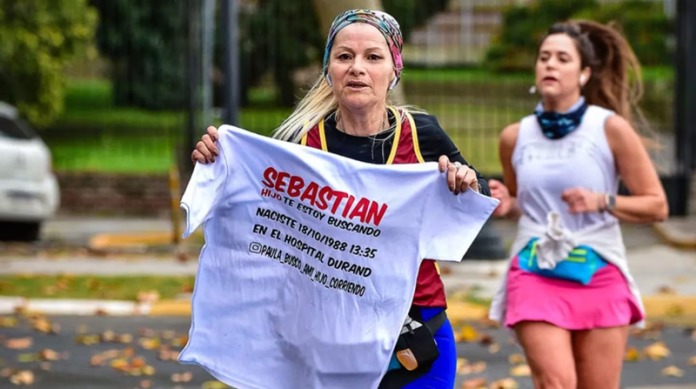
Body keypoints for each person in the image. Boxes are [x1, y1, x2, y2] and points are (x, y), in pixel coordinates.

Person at [191, 8, 491, 389]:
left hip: (415, 335)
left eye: (373, 57)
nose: (357, 68)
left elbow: (480, 198)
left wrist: (466, 181)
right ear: (328, 69)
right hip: (325, 340)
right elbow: (251, 220)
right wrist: (216, 162)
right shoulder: (300, 145)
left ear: (393, 70)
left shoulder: (421, 134)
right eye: (345, 56)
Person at [488, 20, 668, 389]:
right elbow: (523, 201)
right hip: (535, 265)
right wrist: (507, 203)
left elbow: (657, 206)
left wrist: (602, 200)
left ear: (584, 73)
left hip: (599, 266)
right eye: (544, 57)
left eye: (562, 58)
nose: (550, 65)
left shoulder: (610, 128)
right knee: (557, 381)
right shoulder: (514, 136)